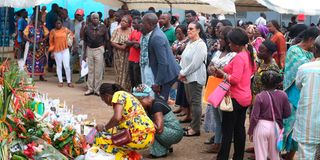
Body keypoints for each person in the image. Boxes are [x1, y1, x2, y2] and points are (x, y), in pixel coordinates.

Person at [211, 28, 256, 160]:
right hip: (245, 97)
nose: (229, 45)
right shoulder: (247, 54)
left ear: (236, 44)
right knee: (239, 129)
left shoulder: (239, 58)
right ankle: (238, 156)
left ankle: (223, 156)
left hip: (235, 98)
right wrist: (224, 71)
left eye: (230, 43)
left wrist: (223, 74)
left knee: (227, 131)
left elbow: (234, 79)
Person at [283, 27, 319, 160]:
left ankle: (291, 155)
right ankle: (288, 154)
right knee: (292, 126)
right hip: (294, 94)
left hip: (308, 94)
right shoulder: (294, 50)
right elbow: (301, 69)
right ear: (310, 40)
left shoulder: (311, 53)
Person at [95, 83, 155, 160]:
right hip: (149, 134)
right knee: (112, 133)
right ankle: (132, 157)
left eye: (103, 100)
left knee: (101, 138)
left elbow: (117, 118)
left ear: (107, 96)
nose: (106, 103)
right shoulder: (127, 95)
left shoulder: (118, 95)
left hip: (140, 135)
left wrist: (104, 128)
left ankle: (126, 158)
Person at [205, 26, 236, 153]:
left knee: (224, 118)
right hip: (214, 87)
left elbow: (229, 71)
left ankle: (223, 144)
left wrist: (217, 71)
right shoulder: (218, 52)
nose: (220, 40)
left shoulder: (233, 55)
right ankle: (217, 142)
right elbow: (210, 67)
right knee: (217, 117)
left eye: (222, 38)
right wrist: (214, 70)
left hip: (225, 89)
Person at [248, 71, 291, 160]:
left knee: (260, 155)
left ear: (262, 83)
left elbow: (254, 117)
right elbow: (287, 114)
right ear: (277, 83)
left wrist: (251, 131)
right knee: (275, 156)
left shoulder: (260, 96)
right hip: (276, 127)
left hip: (261, 127)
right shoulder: (283, 95)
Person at [132, 84, 184, 158]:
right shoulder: (152, 104)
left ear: (145, 98)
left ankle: (159, 152)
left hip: (174, 133)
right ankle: (163, 147)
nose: (138, 104)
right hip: (171, 131)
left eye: (139, 101)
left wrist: (144, 119)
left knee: (147, 127)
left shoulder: (156, 105)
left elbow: (159, 129)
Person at [141, 13, 180, 101]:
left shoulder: (157, 37)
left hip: (167, 75)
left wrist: (157, 83)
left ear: (150, 24)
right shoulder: (156, 33)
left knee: (161, 104)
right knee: (160, 103)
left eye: (143, 23)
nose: (141, 25)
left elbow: (163, 62)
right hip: (165, 74)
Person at [293, 36, 320, 160]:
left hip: (308, 123)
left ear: (315, 49)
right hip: (309, 123)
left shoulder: (305, 68)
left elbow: (298, 86)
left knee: (306, 155)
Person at [178, 22, 207, 136]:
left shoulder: (200, 45)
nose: (188, 31)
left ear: (198, 30)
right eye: (188, 29)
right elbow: (184, 58)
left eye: (191, 29)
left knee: (195, 103)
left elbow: (196, 63)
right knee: (191, 102)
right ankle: (193, 125)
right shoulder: (190, 43)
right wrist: (181, 71)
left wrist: (183, 72)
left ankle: (195, 129)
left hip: (195, 77)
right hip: (187, 77)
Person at [83, 13, 109, 96]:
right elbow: (85, 41)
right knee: (90, 70)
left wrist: (105, 50)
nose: (95, 19)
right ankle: (90, 89)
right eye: (93, 18)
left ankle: (97, 89)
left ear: (99, 19)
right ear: (91, 19)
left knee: (98, 71)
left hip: (99, 49)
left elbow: (107, 39)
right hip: (89, 49)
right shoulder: (87, 27)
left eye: (96, 18)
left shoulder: (103, 27)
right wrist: (84, 53)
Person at [171, 25, 191, 122]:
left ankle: (186, 111)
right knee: (179, 88)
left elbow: (184, 54)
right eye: (176, 32)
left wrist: (178, 54)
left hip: (184, 67)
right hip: (176, 67)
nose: (177, 34)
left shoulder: (187, 42)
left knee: (184, 90)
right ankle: (181, 107)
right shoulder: (176, 42)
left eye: (179, 32)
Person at [48, 19, 75, 88]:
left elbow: (72, 36)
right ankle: (60, 81)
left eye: (59, 23)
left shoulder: (66, 30)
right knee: (59, 66)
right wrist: (52, 52)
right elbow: (51, 42)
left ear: (62, 24)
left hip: (65, 49)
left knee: (66, 66)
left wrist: (70, 43)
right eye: (57, 23)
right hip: (56, 50)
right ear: (55, 24)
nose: (58, 25)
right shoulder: (53, 31)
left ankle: (69, 81)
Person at [111, 15, 133, 91]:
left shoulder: (132, 31)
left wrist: (126, 46)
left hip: (128, 54)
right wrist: (120, 47)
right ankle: (118, 89)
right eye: (122, 21)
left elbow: (133, 41)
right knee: (118, 71)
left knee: (126, 73)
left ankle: (125, 89)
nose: (122, 23)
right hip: (118, 55)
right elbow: (112, 41)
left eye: (125, 21)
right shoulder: (116, 30)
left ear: (129, 23)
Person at [125, 16, 142, 89]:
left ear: (139, 24)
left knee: (137, 79)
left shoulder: (142, 33)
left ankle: (138, 95)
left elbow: (138, 46)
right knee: (132, 78)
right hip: (131, 59)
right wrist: (134, 42)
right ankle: (134, 93)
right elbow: (127, 42)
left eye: (134, 23)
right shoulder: (133, 32)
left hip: (137, 60)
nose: (132, 25)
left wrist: (131, 42)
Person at [72, 9, 86, 84]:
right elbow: (73, 34)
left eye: (79, 15)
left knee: (81, 63)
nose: (78, 16)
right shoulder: (75, 22)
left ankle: (81, 78)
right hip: (75, 46)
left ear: (83, 15)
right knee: (70, 61)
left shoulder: (85, 23)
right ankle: (69, 78)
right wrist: (74, 45)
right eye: (77, 15)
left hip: (82, 46)